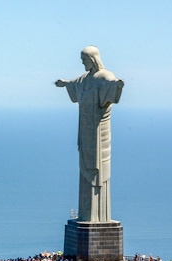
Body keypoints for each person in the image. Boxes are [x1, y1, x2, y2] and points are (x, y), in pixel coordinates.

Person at [56, 46, 124, 222]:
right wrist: (65, 84)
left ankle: (99, 217)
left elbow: (111, 88)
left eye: (84, 60)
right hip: (85, 131)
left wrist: (117, 86)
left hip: (99, 133)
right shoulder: (85, 79)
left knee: (99, 169)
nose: (83, 63)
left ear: (93, 59)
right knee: (85, 166)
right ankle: (88, 216)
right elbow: (75, 85)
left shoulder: (105, 77)